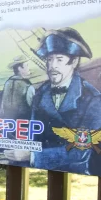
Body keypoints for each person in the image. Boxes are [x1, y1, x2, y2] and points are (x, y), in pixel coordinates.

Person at [6, 28, 101, 175]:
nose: (52, 66)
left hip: (75, 176)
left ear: (74, 61)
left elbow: (81, 151)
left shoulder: (92, 99)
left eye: (59, 59)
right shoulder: (40, 93)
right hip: (39, 173)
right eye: (49, 59)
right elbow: (33, 132)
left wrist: (32, 156)